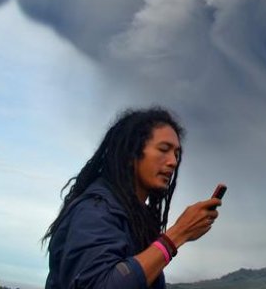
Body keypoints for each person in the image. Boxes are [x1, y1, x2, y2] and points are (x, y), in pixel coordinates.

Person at [43, 107, 221, 288]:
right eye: (164, 149)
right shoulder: (95, 210)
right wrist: (178, 234)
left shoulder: (135, 220)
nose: (173, 162)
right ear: (131, 154)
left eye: (176, 154)